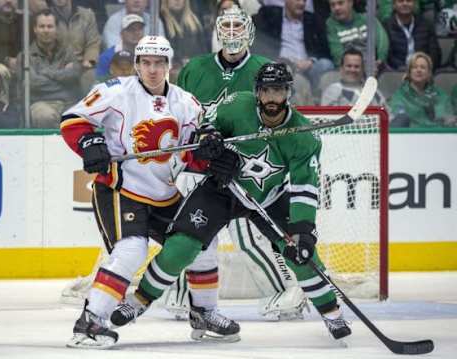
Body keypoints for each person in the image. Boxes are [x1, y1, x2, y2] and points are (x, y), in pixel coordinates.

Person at [111, 63, 352, 343]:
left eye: (278, 91)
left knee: (298, 252)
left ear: (288, 93)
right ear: (257, 92)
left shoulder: (303, 136)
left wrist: (303, 229)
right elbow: (207, 125)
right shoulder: (237, 105)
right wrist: (211, 143)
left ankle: (331, 312)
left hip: (270, 197)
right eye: (266, 91)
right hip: (223, 188)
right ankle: (139, 300)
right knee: (182, 245)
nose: (272, 98)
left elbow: (304, 186)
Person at [61, 35, 210, 349]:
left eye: (159, 63)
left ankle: (205, 314)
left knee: (202, 242)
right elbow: (73, 121)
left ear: (169, 66)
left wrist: (211, 153)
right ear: (137, 64)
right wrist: (91, 143)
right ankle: (90, 323)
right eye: (145, 63)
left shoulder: (187, 103)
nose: (152, 70)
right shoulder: (115, 91)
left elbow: (195, 152)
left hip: (165, 194)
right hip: (120, 189)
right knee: (131, 250)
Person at [174, 5, 308, 325]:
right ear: (217, 31)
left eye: (238, 25)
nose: (232, 33)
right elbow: (183, 117)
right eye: (227, 26)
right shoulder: (194, 69)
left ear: (249, 30)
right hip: (200, 166)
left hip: (245, 167)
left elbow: (279, 119)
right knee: (188, 229)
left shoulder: (264, 69)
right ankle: (183, 296)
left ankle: (285, 290)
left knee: (246, 234)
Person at [16, 9, 82, 128]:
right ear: (35, 29)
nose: (46, 30)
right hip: (40, 103)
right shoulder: (25, 56)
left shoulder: (68, 52)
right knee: (45, 116)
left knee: (81, 117)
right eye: (42, 26)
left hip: (69, 103)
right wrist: (62, 78)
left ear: (56, 29)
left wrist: (46, 73)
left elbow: (74, 76)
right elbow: (33, 83)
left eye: (50, 26)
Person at [252, 0, 333, 88]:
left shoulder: (312, 19)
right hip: (281, 63)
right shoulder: (269, 14)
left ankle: (313, 95)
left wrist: (311, 61)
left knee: (326, 64)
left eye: (304, 1)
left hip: (307, 67)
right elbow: (259, 40)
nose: (302, 3)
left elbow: (324, 49)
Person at [389, 51, 457, 127]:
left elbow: (447, 118)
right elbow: (398, 120)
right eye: (415, 67)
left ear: (429, 73)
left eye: (423, 67)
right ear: (409, 72)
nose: (419, 70)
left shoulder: (440, 95)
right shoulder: (400, 96)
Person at [48, 0, 101, 93]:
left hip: (83, 66)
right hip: (56, 67)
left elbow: (93, 45)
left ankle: (89, 106)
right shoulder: (46, 17)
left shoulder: (87, 15)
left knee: (91, 76)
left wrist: (87, 64)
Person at [326, 0, 389, 69]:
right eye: (332, 5)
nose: (336, 8)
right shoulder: (330, 25)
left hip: (375, 66)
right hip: (349, 69)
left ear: (351, 3)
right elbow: (337, 54)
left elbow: (382, 42)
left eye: (340, 3)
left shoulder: (367, 18)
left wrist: (380, 61)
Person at [384, 0, 441, 71]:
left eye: (409, 1)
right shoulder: (386, 27)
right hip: (396, 72)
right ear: (394, 5)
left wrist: (423, 67)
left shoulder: (426, 25)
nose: (405, 4)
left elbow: (435, 53)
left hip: (422, 72)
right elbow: (387, 56)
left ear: (414, 4)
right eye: (400, 1)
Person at [321, 47, 387, 108]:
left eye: (357, 66)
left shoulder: (374, 92)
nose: (352, 70)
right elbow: (327, 117)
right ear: (341, 69)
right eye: (349, 66)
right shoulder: (332, 91)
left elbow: (387, 116)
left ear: (362, 69)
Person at [160, 0, 209, 72]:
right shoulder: (161, 20)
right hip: (171, 70)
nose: (178, 1)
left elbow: (203, 50)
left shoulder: (194, 20)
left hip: (195, 68)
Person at [95, 14, 145, 82]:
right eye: (131, 29)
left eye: (139, 29)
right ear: (121, 34)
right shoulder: (107, 57)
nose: (136, 33)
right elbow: (99, 83)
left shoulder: (150, 56)